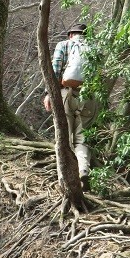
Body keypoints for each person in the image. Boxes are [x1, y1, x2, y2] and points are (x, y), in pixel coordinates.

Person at [43, 23, 99, 191]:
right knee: (82, 137)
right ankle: (83, 170)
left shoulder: (64, 45)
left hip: (66, 94)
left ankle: (64, 176)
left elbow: (55, 70)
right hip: (89, 95)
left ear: (71, 35)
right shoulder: (95, 48)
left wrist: (49, 94)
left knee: (64, 136)